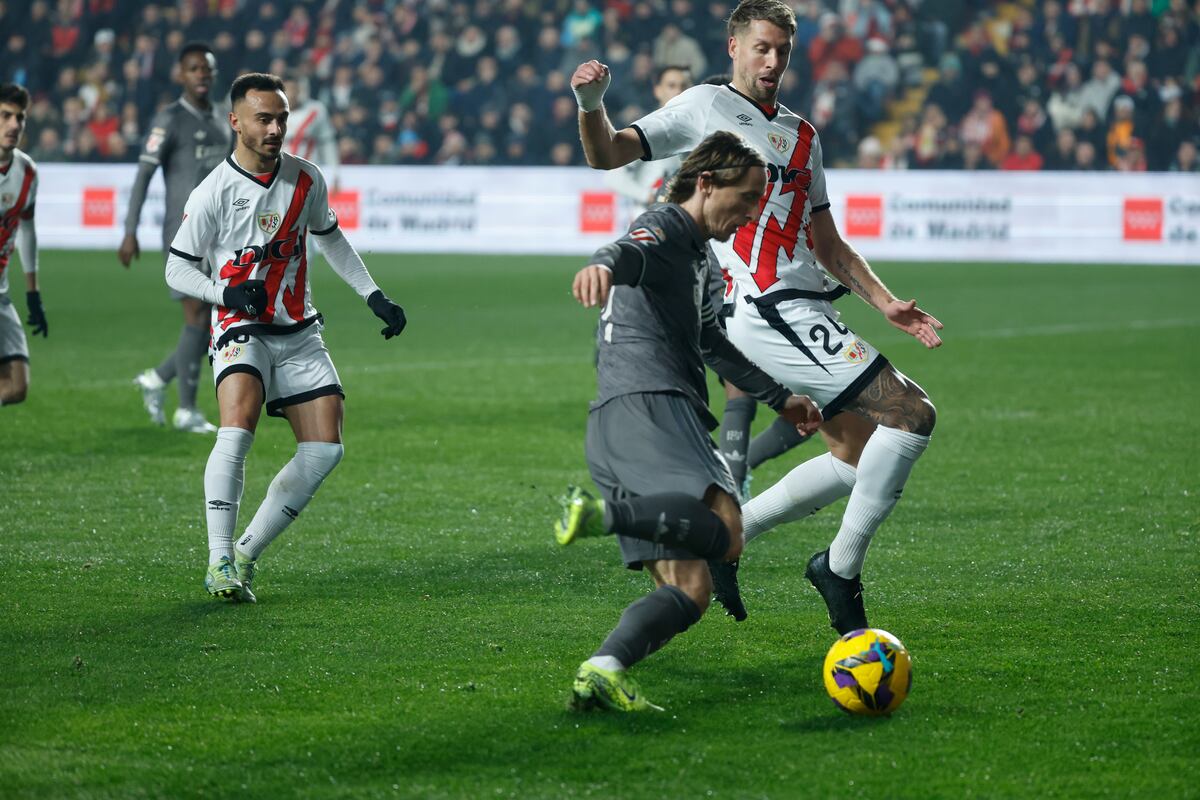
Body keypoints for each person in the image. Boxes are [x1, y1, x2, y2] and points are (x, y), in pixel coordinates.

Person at [571, 0, 943, 635]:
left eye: (783, 52)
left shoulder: (803, 137)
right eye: (762, 48)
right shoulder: (704, 107)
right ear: (734, 48)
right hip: (768, 305)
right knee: (912, 416)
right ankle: (840, 567)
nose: (773, 62)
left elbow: (829, 244)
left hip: (803, 301)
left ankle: (726, 536)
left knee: (854, 451)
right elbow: (608, 153)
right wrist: (591, 104)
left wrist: (886, 302)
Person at [556, 130, 822, 712]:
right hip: (653, 402)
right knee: (727, 531)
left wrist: (782, 398)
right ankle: (605, 515)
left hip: (616, 415)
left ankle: (602, 669)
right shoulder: (670, 225)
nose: (751, 212)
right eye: (747, 198)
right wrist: (601, 261)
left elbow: (711, 342)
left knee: (690, 589)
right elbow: (630, 249)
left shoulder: (701, 256)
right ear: (706, 183)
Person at [164, 73, 407, 603]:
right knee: (239, 426)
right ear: (236, 122)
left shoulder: (305, 179)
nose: (275, 129)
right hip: (240, 323)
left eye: (281, 119)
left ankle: (247, 551)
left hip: (298, 326)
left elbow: (331, 239)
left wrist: (373, 295)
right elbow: (176, 270)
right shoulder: (213, 192)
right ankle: (219, 559)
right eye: (263, 119)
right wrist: (224, 296)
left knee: (324, 450)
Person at [120, 42, 232, 433]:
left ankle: (157, 380)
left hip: (222, 235)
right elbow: (143, 175)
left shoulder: (223, 117)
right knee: (198, 317)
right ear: (180, 75)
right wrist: (130, 230)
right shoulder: (168, 120)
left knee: (210, 322)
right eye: (194, 68)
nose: (202, 74)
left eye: (208, 68)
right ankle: (186, 410)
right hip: (184, 232)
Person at [0, 83, 47, 407]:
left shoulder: (27, 171)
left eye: (20, 118)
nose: (14, 125)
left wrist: (32, 293)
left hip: (1, 295)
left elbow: (27, 230)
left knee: (17, 386)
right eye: (5, 116)